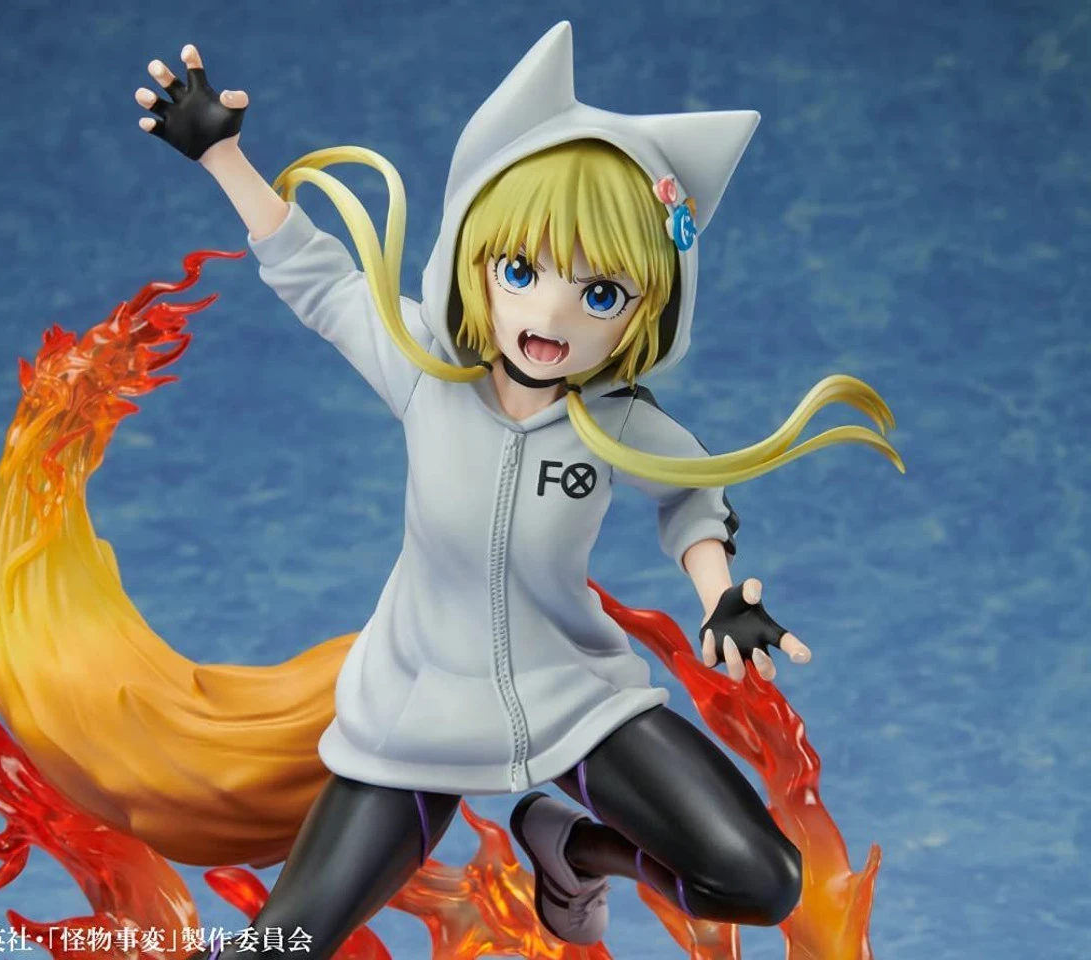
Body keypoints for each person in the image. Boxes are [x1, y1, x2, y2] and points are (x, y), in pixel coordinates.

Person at [132, 22, 901, 958]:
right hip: (417, 710)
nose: (550, 314)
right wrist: (223, 158)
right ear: (476, 262)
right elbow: (322, 280)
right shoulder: (429, 375)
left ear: (646, 312)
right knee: (281, 946)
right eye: (522, 270)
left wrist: (717, 596)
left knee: (759, 878)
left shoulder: (617, 421)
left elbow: (691, 492)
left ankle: (573, 851)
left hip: (573, 698)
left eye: (602, 294)